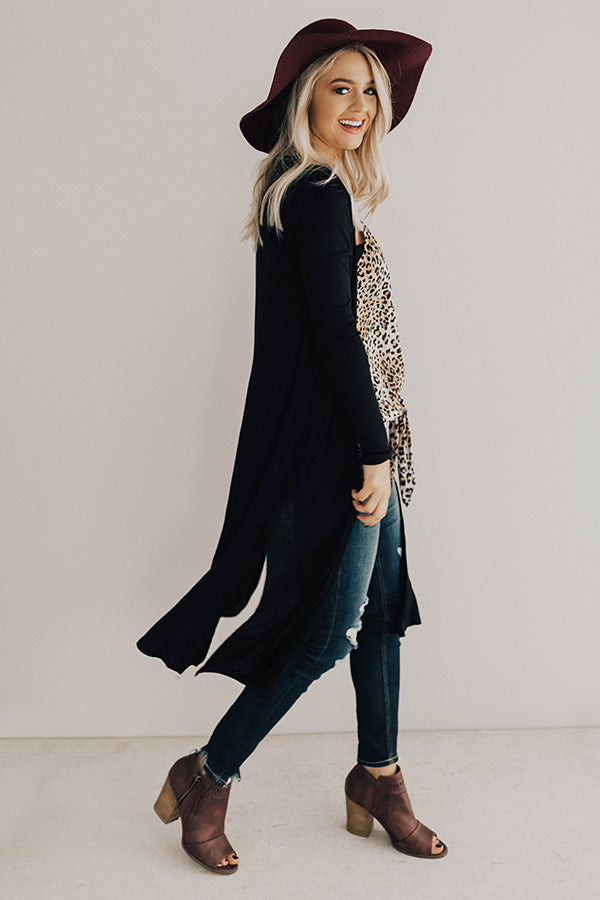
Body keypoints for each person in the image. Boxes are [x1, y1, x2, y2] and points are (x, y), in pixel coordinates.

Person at [137, 18, 448, 874]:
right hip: (346, 448)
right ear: (305, 98)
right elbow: (337, 339)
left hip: (361, 434)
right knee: (327, 633)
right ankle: (207, 773)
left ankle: (378, 777)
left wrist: (379, 445)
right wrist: (373, 456)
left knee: (380, 615)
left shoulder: (301, 189)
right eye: (341, 86)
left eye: (370, 90)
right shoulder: (314, 193)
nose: (360, 104)